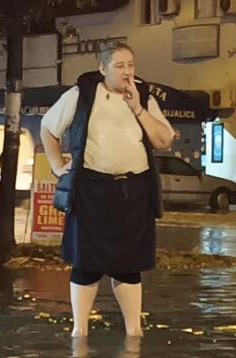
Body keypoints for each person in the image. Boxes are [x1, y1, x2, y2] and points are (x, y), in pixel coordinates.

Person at [40, 42, 174, 337]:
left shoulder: (144, 97)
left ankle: (133, 331)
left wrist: (137, 107)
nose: (127, 72)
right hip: (91, 190)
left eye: (131, 65)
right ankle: (80, 331)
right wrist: (57, 164)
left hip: (134, 191)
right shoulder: (82, 94)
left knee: (129, 265)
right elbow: (48, 128)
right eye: (119, 66)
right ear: (102, 69)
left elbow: (164, 140)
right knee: (86, 264)